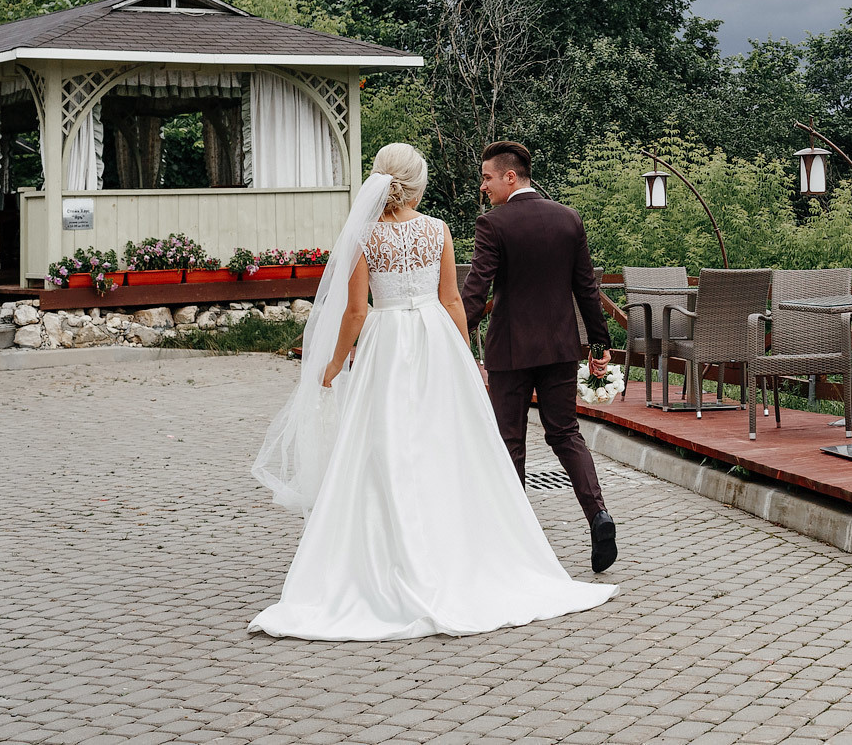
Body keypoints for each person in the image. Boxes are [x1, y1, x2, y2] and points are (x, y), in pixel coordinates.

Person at [248, 143, 612, 640]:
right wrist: (465, 355)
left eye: (488, 177)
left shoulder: (366, 236)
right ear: (416, 184)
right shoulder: (443, 229)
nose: (484, 184)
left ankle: (394, 551)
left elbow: (358, 311)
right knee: (462, 443)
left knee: (389, 445)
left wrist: (333, 364)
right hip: (446, 341)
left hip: (392, 343)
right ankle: (499, 540)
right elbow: (456, 301)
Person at [462, 140, 619, 573]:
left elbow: (476, 290)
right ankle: (599, 514)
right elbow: (587, 289)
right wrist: (600, 347)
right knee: (566, 433)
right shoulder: (569, 219)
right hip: (560, 349)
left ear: (510, 176)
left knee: (510, 441)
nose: (484, 186)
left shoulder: (493, 224)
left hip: (511, 352)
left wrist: (453, 334)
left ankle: (513, 542)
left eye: (488, 177)